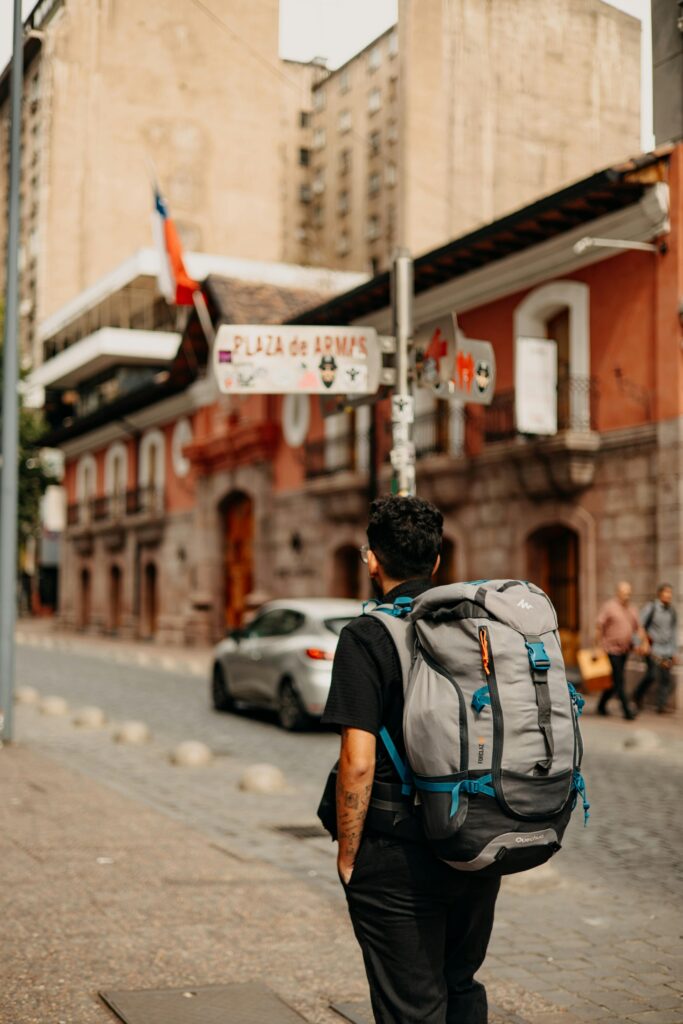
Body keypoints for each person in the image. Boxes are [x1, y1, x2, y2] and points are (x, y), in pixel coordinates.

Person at [321, 495, 500, 1024]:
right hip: (474, 838)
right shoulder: (477, 625)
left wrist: (349, 855)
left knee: (411, 1006)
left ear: (373, 559)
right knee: (460, 984)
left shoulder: (366, 635)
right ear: (437, 562)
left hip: (396, 848)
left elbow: (357, 759)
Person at [595, 581, 647, 720]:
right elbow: (599, 625)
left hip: (625, 650)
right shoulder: (609, 607)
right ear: (618, 593)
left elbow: (639, 628)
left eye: (629, 593)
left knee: (614, 680)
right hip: (611, 649)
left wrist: (642, 643)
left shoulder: (632, 609)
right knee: (619, 679)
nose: (627, 596)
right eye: (624, 593)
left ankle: (601, 705)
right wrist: (599, 645)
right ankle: (627, 710)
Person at [634, 584, 678, 714]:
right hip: (652, 650)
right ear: (660, 594)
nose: (668, 595)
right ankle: (637, 696)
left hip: (667, 650)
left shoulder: (672, 611)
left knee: (666, 679)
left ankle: (661, 705)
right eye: (666, 592)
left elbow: (673, 632)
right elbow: (640, 625)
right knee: (651, 675)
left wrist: (674, 651)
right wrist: (639, 644)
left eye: (670, 593)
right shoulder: (651, 608)